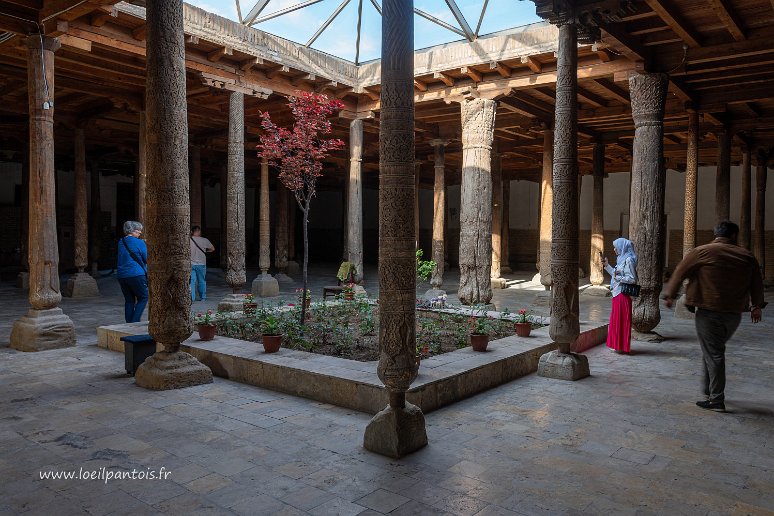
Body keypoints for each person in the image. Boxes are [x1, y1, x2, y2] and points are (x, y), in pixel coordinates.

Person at [663, 220, 766, 412]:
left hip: (708, 312)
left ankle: (716, 399)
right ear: (733, 235)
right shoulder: (747, 256)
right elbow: (757, 282)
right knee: (712, 350)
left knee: (714, 353)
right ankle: (707, 390)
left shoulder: (702, 251)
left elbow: (679, 272)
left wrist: (670, 295)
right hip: (734, 313)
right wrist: (756, 306)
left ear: (716, 234)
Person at [603, 237, 638, 354]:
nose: (614, 249)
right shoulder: (621, 260)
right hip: (617, 293)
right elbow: (615, 274)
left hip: (623, 294)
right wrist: (607, 266)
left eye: (616, 247)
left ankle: (621, 345)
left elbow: (632, 279)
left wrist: (618, 278)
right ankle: (617, 345)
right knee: (616, 319)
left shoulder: (629, 260)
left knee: (621, 320)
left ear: (622, 247)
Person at [117, 221, 148, 323]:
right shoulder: (139, 242)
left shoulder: (121, 242)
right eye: (139, 233)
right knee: (143, 297)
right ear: (133, 231)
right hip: (136, 274)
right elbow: (146, 258)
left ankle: (128, 324)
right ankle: (135, 322)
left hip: (122, 275)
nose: (139, 235)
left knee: (129, 300)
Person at [190, 225, 215, 302]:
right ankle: (203, 298)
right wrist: (206, 251)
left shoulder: (188, 240)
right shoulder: (205, 240)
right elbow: (213, 249)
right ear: (199, 232)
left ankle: (192, 298)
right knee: (202, 281)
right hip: (201, 264)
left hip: (191, 263)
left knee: (192, 281)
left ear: (191, 232)